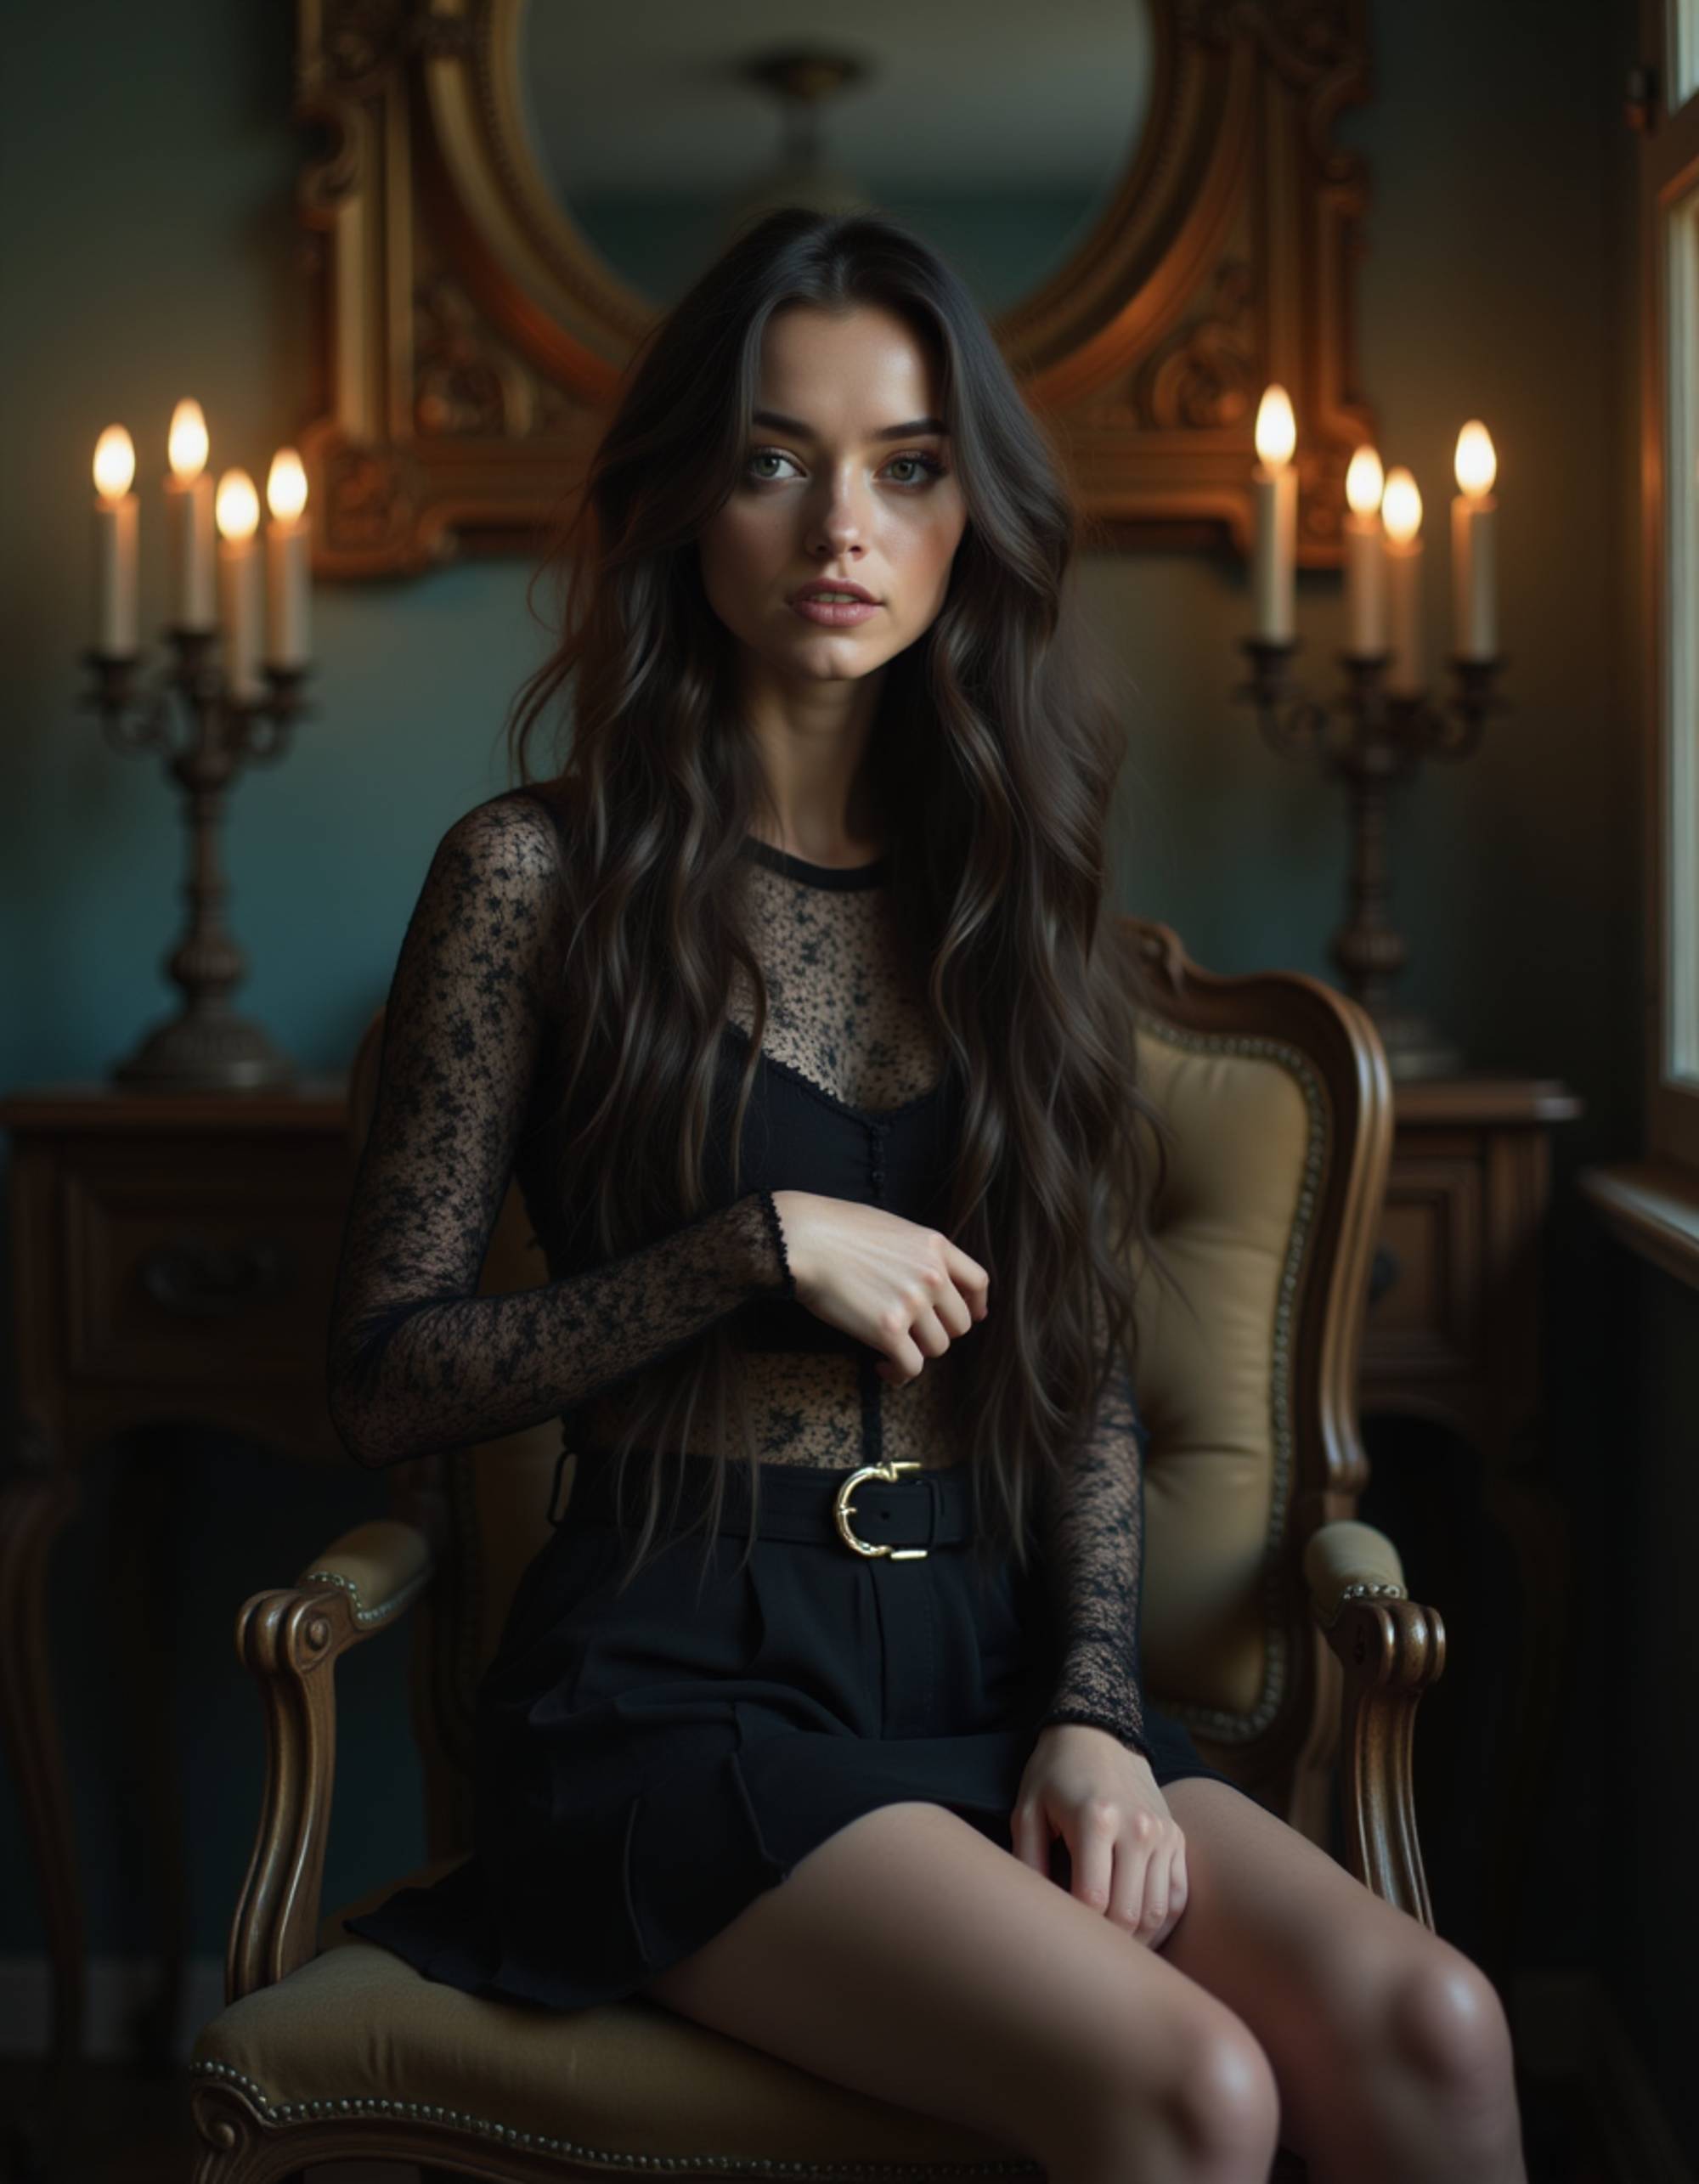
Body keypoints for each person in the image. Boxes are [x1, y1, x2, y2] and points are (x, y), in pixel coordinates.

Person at [325, 208, 1527, 2184]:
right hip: (674, 1677)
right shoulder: (529, 878)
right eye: (772, 459)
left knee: (1435, 2024)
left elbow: (1076, 1374)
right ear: (683, 504)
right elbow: (383, 1382)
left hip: (980, 1652)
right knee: (1194, 2088)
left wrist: (1088, 1706)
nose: (837, 531)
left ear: (972, 514)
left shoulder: (1013, 895)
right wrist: (741, 1251)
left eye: (904, 466)